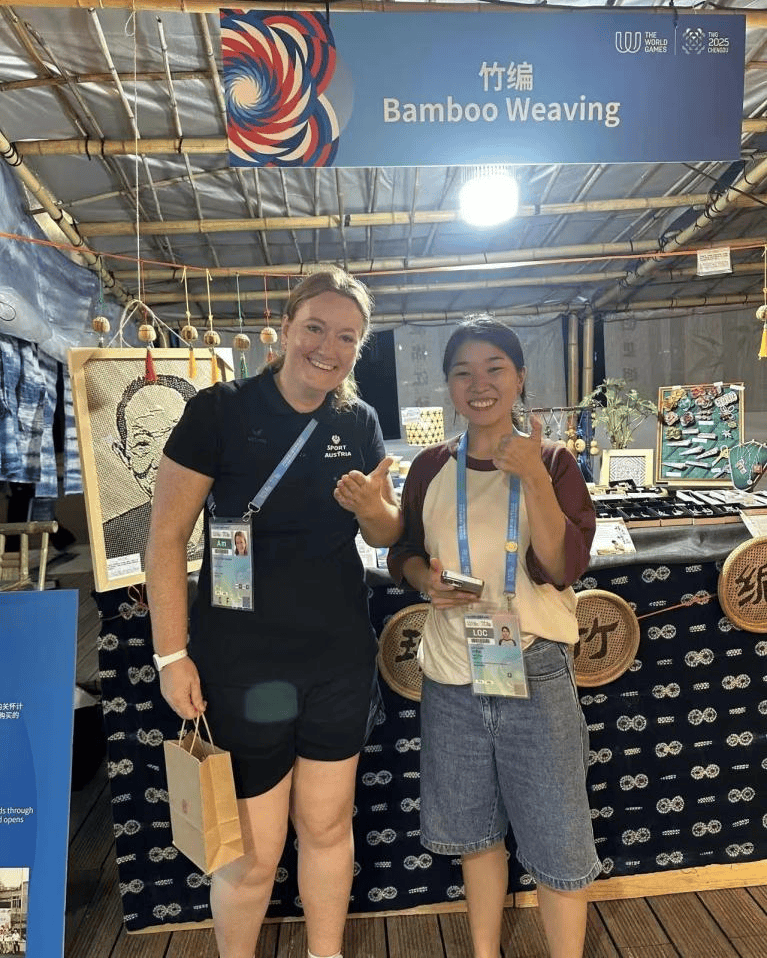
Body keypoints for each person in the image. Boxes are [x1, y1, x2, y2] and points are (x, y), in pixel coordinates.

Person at [146, 268, 402, 958]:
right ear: (284, 328)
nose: (328, 346)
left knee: (327, 828)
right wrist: (171, 655)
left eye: (346, 336)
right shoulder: (218, 412)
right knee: (252, 854)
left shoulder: (359, 421)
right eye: (315, 327)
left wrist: (373, 510)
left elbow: (384, 533)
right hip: (246, 668)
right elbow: (165, 538)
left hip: (337, 663)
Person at [387, 315, 599, 958]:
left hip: (534, 669)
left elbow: (561, 567)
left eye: (494, 369)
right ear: (448, 385)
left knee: (558, 841)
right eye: (463, 372)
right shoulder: (430, 467)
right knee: (476, 836)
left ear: (520, 377)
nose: (479, 385)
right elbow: (405, 551)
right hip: (452, 675)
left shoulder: (555, 462)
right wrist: (425, 580)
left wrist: (531, 475)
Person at [103, 374, 197, 564]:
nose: (161, 462)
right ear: (124, 456)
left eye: (176, 438)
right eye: (142, 444)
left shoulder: (232, 516)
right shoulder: (113, 540)